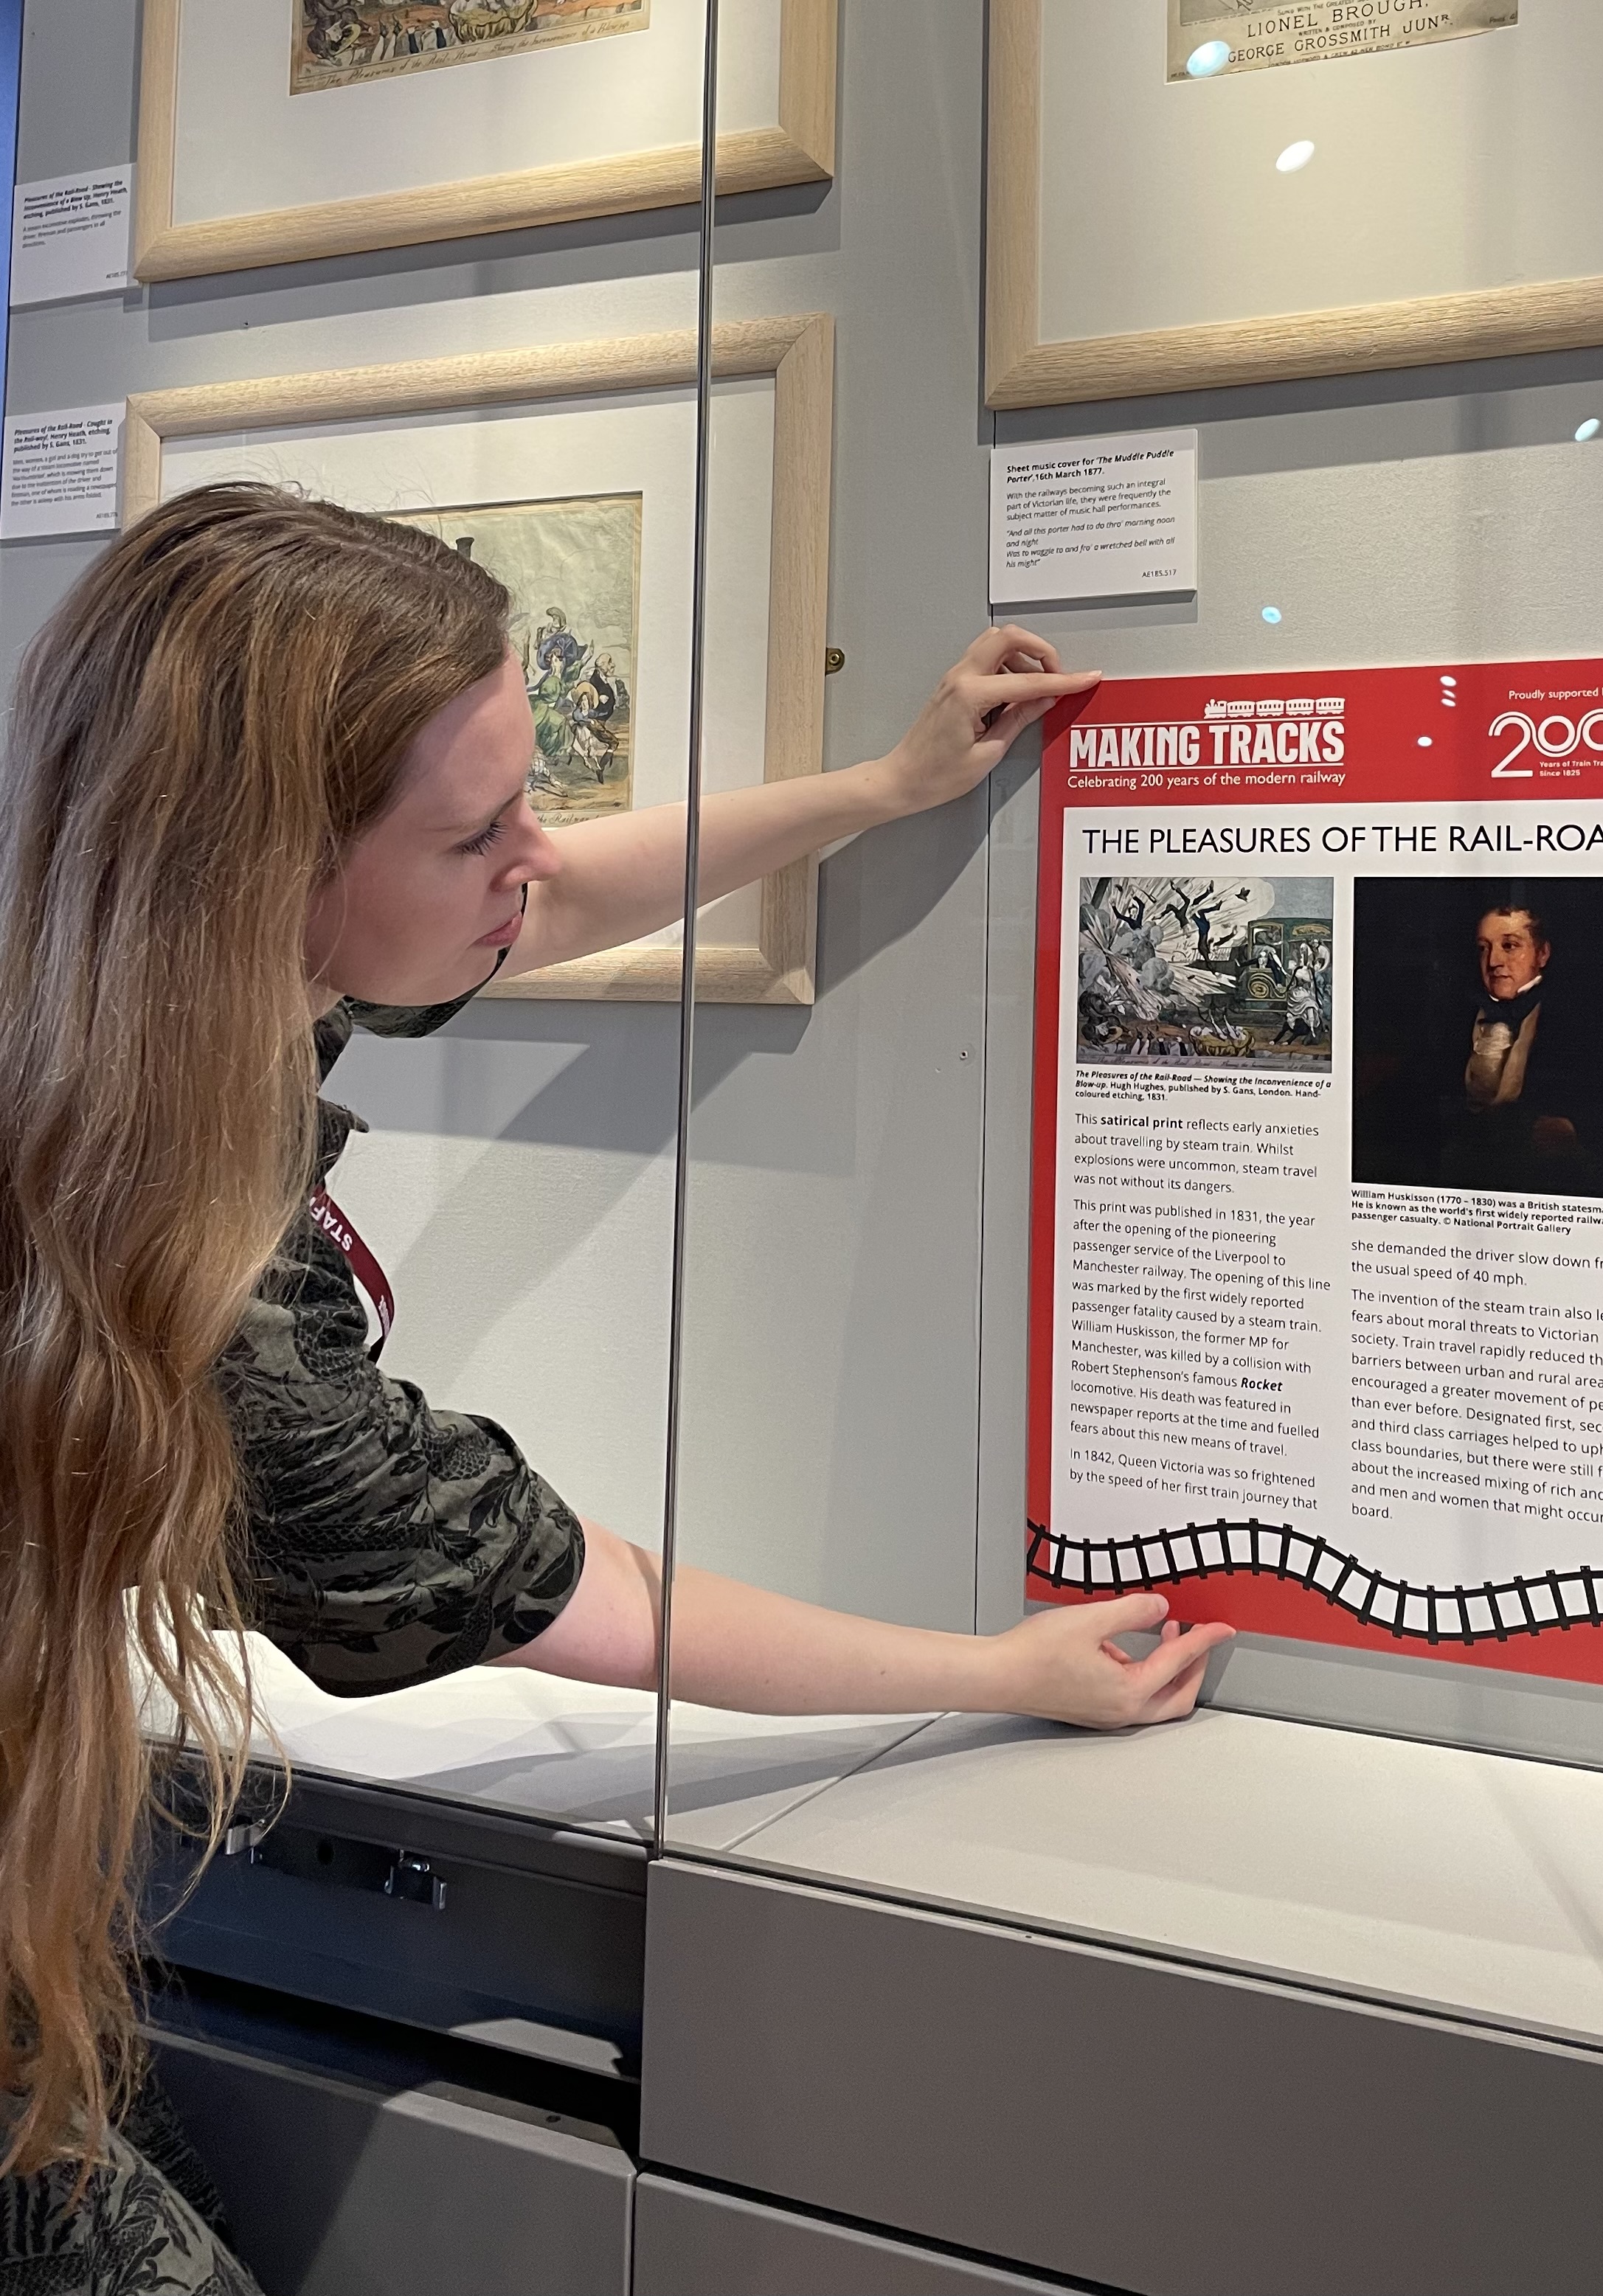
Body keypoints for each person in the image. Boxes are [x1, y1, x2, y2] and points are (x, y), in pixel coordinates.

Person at [0, 485, 1233, 2283]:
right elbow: (542, 1579)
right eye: (474, 826)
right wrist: (984, 1668)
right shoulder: (188, 1267)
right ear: (278, 863)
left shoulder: (128, 960)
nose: (528, 854)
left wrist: (877, 791)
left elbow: (550, 893)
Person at [1438, 899, 1603, 1197]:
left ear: (1542, 954)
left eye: (1510, 946)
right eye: (1483, 948)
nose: (1493, 962)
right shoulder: (1456, 1016)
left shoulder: (1578, 1021)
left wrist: (1571, 1130)